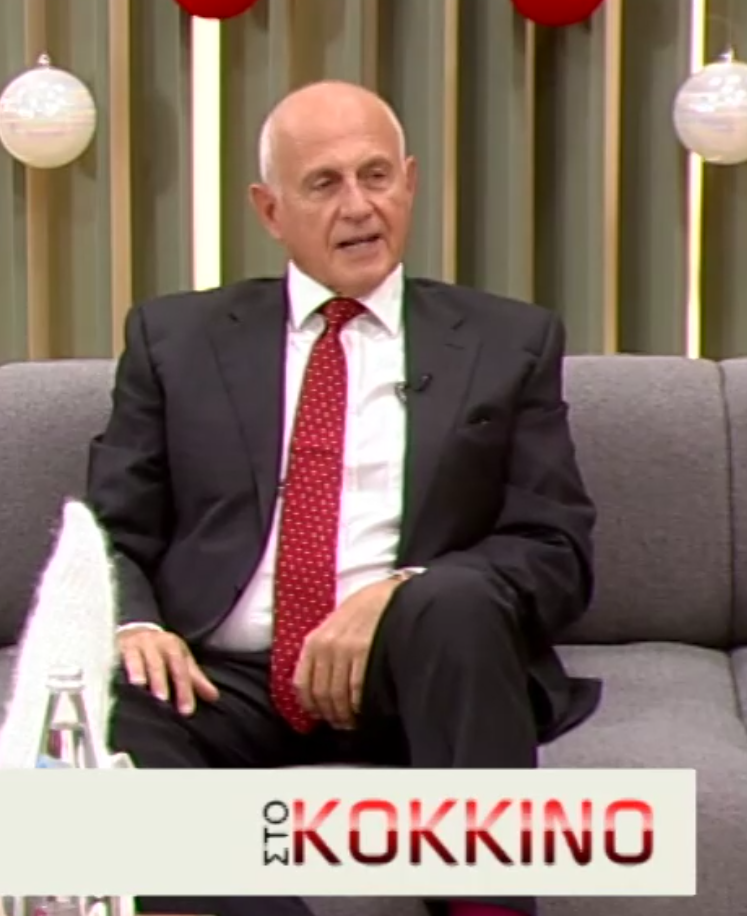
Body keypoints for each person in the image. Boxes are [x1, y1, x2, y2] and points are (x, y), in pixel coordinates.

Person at [89, 81, 600, 916]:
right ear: (269, 210)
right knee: (111, 712)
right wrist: (136, 627)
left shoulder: (508, 341)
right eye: (323, 184)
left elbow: (555, 550)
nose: (358, 207)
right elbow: (107, 532)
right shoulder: (173, 341)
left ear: (410, 182)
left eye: (375, 176)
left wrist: (399, 591)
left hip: (416, 673)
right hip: (225, 680)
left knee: (455, 604)